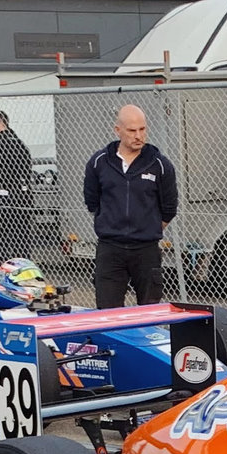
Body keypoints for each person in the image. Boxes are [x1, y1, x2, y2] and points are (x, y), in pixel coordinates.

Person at [82, 104, 175, 306]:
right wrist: (111, 224)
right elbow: (92, 200)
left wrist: (147, 229)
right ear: (118, 131)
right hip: (110, 249)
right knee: (107, 310)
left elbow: (169, 207)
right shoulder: (99, 162)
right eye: (132, 130)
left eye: (142, 129)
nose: (138, 136)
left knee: (149, 311)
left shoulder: (160, 164)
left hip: (146, 251)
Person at [0, 101, 38, 263]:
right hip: (23, 197)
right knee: (21, 238)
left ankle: (4, 271)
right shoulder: (19, 143)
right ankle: (23, 269)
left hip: (1, 198)